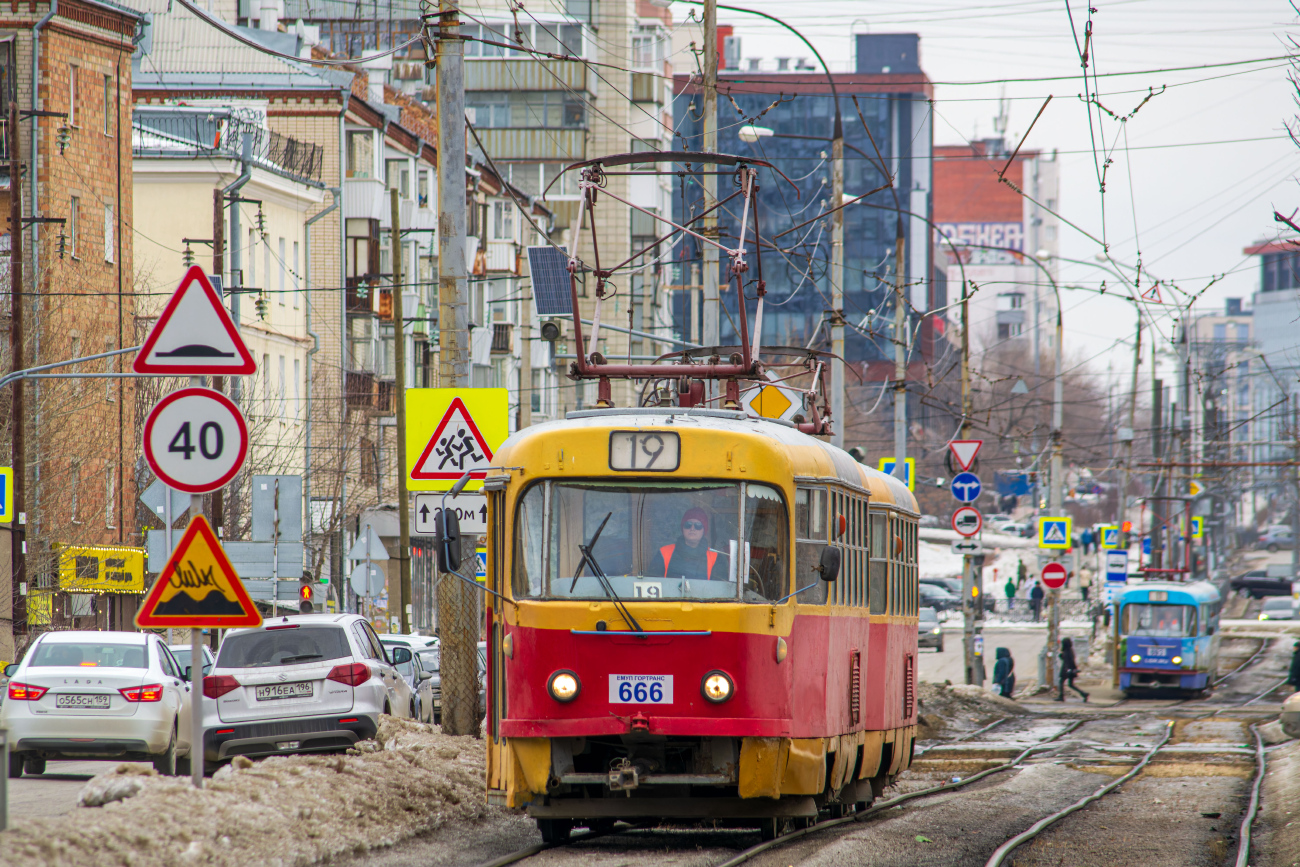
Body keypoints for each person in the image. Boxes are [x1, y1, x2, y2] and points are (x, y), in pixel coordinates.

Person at [660, 507, 722, 581]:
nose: (692, 528)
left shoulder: (715, 557)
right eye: (688, 524)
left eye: (698, 525)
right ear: (682, 528)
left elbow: (719, 589)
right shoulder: (664, 553)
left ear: (704, 530)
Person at [1057, 637, 1089, 702]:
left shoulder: (1066, 651)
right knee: (1070, 684)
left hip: (1066, 670)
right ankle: (1084, 694)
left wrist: (1068, 669)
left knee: (1062, 682)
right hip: (1070, 669)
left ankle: (1061, 696)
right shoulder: (1070, 650)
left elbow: (1067, 661)